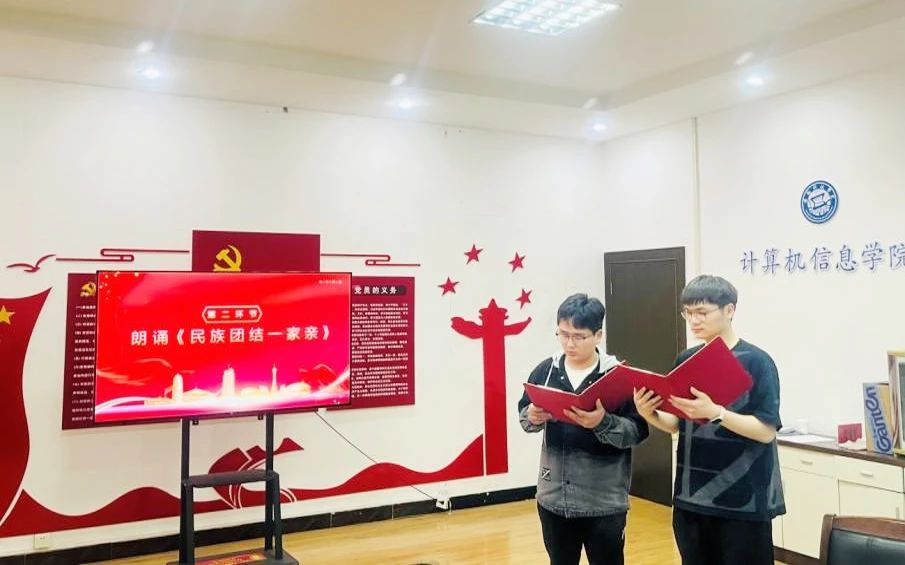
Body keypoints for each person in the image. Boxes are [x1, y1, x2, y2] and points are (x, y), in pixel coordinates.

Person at [633, 275, 785, 565]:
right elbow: (677, 423)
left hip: (743, 501)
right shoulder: (687, 359)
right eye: (688, 312)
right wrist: (648, 413)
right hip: (692, 499)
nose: (694, 320)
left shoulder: (757, 361)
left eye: (702, 312)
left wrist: (717, 413)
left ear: (729, 310)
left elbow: (766, 431)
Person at [518, 293, 649, 565]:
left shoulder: (618, 377)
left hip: (603, 503)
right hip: (553, 499)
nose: (569, 343)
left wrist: (603, 423)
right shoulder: (546, 371)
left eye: (579, 336)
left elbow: (636, 431)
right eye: (563, 334)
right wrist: (531, 416)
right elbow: (525, 415)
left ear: (598, 335)